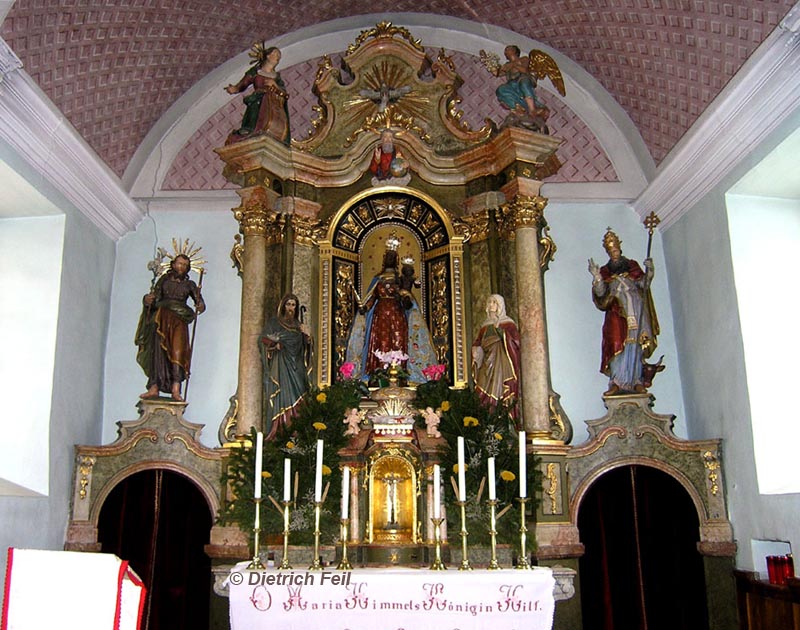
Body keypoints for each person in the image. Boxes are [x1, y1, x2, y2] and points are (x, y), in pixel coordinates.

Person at [345, 245, 436, 383]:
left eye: (392, 257)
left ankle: (400, 376)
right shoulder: (378, 279)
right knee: (380, 344)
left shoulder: (400, 280)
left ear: (396, 260)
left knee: (398, 341)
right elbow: (371, 298)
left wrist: (405, 297)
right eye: (388, 256)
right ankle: (379, 375)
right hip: (380, 316)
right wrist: (365, 308)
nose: (390, 259)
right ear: (384, 259)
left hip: (397, 315)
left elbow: (407, 298)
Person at [588, 228, 660, 396]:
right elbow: (600, 294)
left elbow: (644, 285)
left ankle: (636, 381)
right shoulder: (605, 272)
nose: (614, 253)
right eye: (610, 251)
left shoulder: (632, 266)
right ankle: (617, 381)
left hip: (635, 308)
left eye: (615, 250)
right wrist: (597, 278)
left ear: (620, 249)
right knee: (617, 344)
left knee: (635, 344)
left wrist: (650, 271)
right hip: (616, 313)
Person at [136, 254, 205, 402]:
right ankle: (154, 387)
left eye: (185, 265)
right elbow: (154, 298)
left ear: (188, 268)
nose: (181, 267)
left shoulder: (190, 285)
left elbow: (200, 302)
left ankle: (176, 389)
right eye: (179, 264)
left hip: (179, 321)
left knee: (178, 353)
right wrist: (147, 300)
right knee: (158, 353)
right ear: (173, 264)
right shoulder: (164, 280)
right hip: (161, 318)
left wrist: (200, 305)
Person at [261, 294, 313, 440]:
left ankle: (297, 430)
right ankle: (280, 430)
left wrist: (308, 338)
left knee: (301, 391)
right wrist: (274, 344)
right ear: (283, 306)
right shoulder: (275, 323)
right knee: (283, 394)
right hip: (282, 364)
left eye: (293, 305)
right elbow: (263, 339)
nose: (291, 308)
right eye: (288, 304)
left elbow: (306, 348)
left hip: (297, 366)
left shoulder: (299, 326)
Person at [225, 45, 290, 145]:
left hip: (273, 104)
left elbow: (285, 94)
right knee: (254, 121)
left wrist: (274, 84)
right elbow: (243, 84)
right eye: (276, 54)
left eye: (279, 56)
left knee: (272, 125)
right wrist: (234, 88)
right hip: (257, 100)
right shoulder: (255, 72)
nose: (278, 58)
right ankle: (249, 130)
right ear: (268, 56)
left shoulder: (277, 77)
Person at [471, 294, 521, 420]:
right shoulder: (485, 326)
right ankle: (485, 418)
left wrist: (502, 334)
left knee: (500, 388)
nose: (491, 305)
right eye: (489, 302)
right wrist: (476, 349)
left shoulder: (508, 323)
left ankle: (501, 419)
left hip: (501, 362)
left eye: (494, 302)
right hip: (487, 362)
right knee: (482, 387)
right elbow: (478, 341)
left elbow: (516, 342)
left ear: (500, 305)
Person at [494, 45, 548, 120]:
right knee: (501, 89)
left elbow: (525, 71)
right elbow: (497, 73)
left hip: (522, 79)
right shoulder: (507, 65)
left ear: (515, 51)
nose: (506, 51)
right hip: (512, 84)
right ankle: (517, 107)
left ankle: (532, 109)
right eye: (506, 51)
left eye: (509, 49)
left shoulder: (524, 59)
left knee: (524, 83)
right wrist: (490, 64)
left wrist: (514, 65)